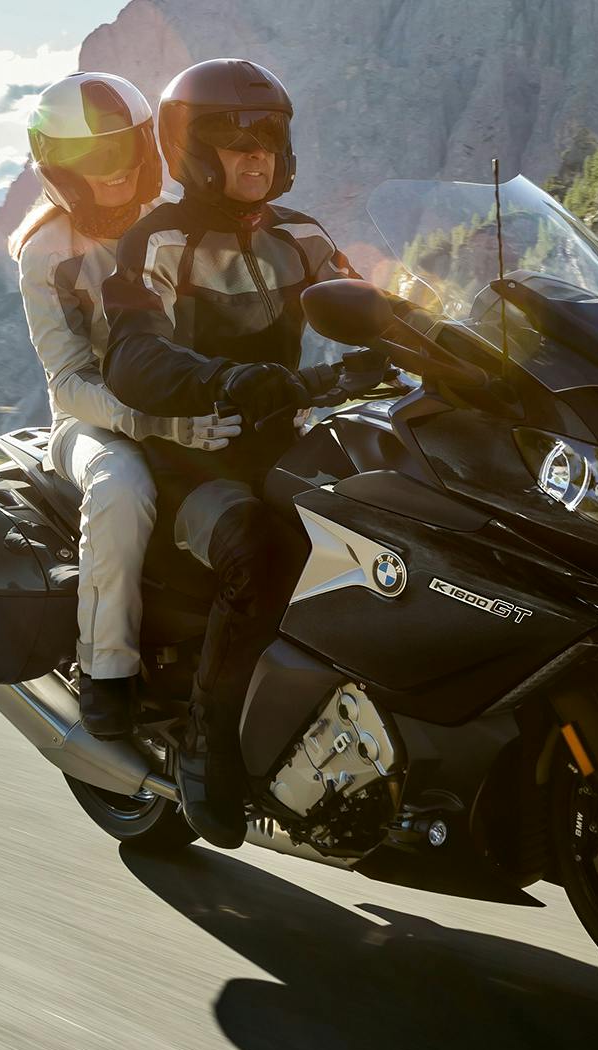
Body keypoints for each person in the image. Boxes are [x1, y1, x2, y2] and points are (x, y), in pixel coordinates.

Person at [101, 58, 385, 847]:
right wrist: (228, 380)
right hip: (192, 465)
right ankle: (206, 737)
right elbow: (134, 359)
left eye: (268, 136)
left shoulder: (303, 234)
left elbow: (377, 307)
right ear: (192, 150)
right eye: (234, 140)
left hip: (286, 447)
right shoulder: (158, 240)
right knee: (261, 552)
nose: (256, 154)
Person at [10, 72, 242, 741]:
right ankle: (105, 675)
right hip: (92, 424)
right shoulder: (46, 254)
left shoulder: (180, 221)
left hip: (190, 408)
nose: (117, 172)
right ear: (59, 168)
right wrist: (155, 424)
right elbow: (68, 384)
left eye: (128, 149)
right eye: (96, 158)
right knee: (121, 484)